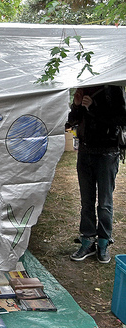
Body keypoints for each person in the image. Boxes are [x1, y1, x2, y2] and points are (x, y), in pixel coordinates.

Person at [66, 85, 126, 264]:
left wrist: (93, 107)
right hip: (85, 151)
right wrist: (76, 105)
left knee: (105, 202)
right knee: (86, 200)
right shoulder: (84, 88)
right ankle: (87, 242)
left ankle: (103, 243)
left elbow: (121, 118)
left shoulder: (113, 88)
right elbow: (72, 121)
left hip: (108, 152)